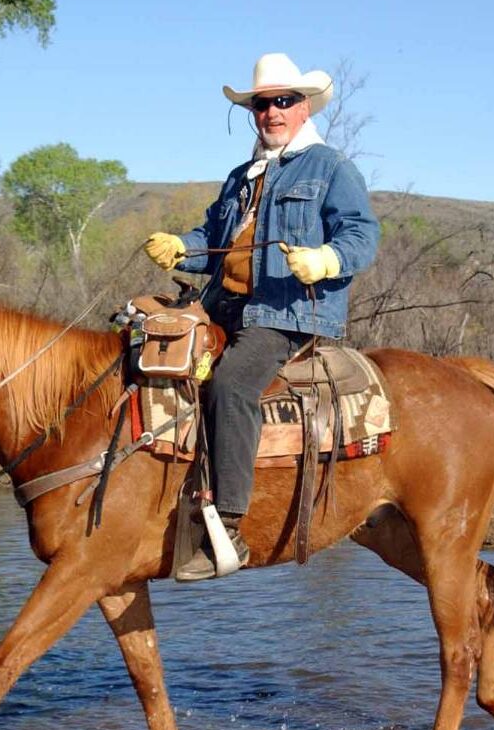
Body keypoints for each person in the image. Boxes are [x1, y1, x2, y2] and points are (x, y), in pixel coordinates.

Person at [143, 53, 379, 580]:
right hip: (222, 306)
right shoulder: (240, 177)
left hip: (287, 314)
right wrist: (181, 246)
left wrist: (326, 259)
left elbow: (361, 234)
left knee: (231, 385)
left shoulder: (331, 167)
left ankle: (227, 526)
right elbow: (213, 237)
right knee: (151, 353)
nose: (272, 111)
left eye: (283, 101)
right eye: (262, 104)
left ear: (303, 107)